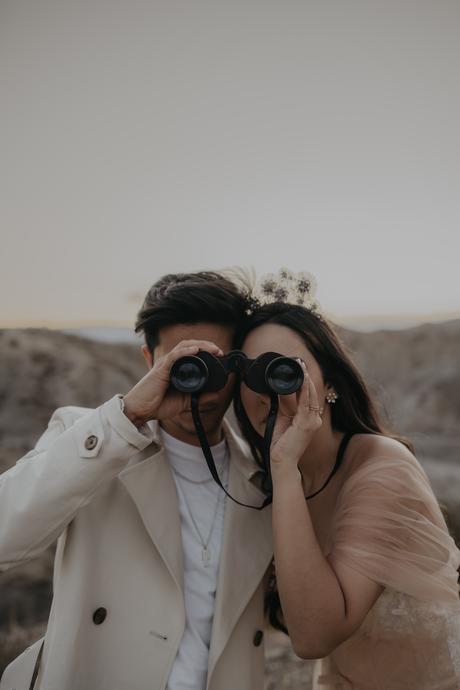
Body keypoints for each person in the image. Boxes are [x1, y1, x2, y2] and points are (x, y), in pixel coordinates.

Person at [0, 271, 273, 690]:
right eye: (184, 365)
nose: (202, 389)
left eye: (216, 366)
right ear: (150, 361)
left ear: (238, 366)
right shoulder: (91, 440)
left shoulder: (262, 476)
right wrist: (125, 418)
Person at [233, 268, 460, 690]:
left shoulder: (382, 468)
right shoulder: (266, 476)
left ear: (330, 383)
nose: (264, 389)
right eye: (249, 372)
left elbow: (314, 634)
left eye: (283, 370)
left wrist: (283, 472)